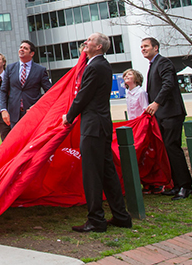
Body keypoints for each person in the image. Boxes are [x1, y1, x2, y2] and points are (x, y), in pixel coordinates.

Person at [63, 33, 132, 233]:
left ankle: (96, 220)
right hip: (101, 126)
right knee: (107, 172)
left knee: (92, 174)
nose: (85, 42)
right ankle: (121, 216)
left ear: (99, 46)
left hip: (92, 127)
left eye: (90, 40)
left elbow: (84, 95)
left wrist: (69, 116)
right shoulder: (101, 65)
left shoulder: (94, 66)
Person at [141, 37, 192, 200]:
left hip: (171, 113)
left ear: (156, 48)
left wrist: (156, 103)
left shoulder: (163, 63)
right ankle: (176, 185)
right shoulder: (153, 65)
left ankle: (185, 186)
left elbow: (168, 84)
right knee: (168, 150)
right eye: (141, 47)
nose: (143, 49)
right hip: (162, 115)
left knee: (173, 148)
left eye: (146, 46)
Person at [0, 40, 52, 129]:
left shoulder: (40, 70)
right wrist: (3, 109)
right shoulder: (10, 68)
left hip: (33, 113)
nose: (21, 49)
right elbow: (3, 90)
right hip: (14, 114)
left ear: (31, 53)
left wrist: (38, 105)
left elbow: (50, 92)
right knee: (16, 141)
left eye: (25, 48)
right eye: (20, 47)